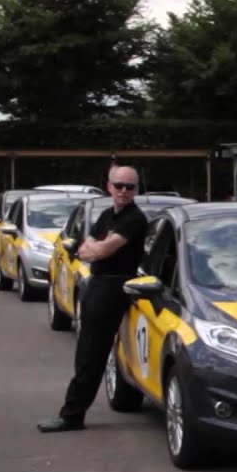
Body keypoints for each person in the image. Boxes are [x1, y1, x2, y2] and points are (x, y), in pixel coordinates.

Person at [39, 165, 149, 433]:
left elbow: (99, 249)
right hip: (97, 284)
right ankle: (73, 412)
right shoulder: (107, 215)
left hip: (114, 287)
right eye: (119, 185)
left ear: (136, 190)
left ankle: (72, 415)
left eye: (130, 187)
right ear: (109, 186)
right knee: (85, 350)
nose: (124, 191)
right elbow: (86, 247)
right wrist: (94, 249)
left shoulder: (134, 219)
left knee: (92, 354)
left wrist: (96, 249)